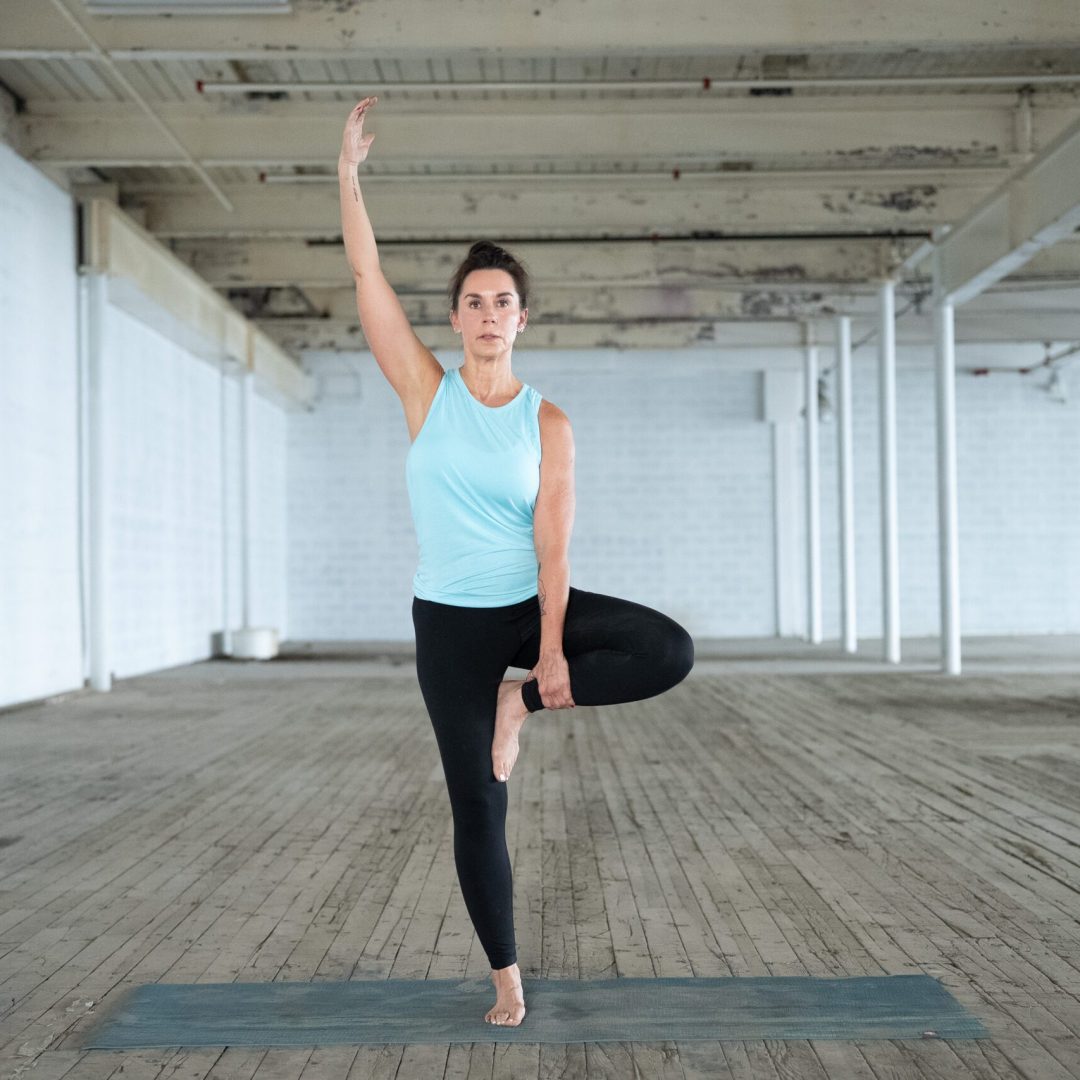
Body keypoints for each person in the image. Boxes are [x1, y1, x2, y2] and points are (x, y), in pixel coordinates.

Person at [338, 97, 695, 1028]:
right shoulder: (425, 390)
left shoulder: (549, 421)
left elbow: (554, 543)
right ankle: (505, 975)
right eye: (473, 301)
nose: (488, 313)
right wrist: (348, 178)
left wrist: (547, 660)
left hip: (527, 603)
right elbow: (366, 271)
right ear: (454, 318)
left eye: (503, 302)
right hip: (448, 622)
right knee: (477, 804)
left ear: (522, 318)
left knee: (667, 650)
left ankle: (517, 705)